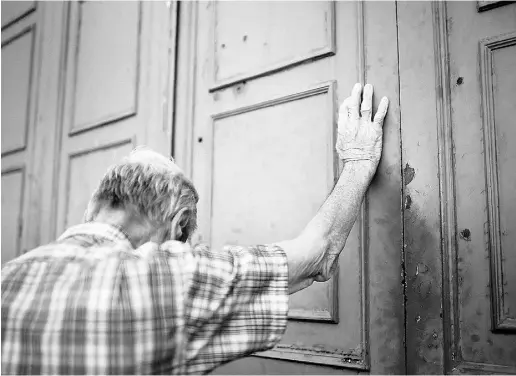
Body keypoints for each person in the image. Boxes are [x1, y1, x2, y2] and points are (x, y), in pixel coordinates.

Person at [1, 83, 388, 375]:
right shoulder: (167, 280)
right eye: (189, 239)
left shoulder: (9, 277)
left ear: (97, 207)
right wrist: (357, 162)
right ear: (177, 225)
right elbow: (316, 253)